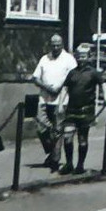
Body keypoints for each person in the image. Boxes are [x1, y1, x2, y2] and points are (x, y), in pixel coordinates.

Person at [57, 42, 106, 175]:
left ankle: (80, 165)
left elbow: (103, 83)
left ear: (89, 57)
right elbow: (65, 88)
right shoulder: (72, 73)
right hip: (71, 110)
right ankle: (69, 164)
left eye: (84, 56)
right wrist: (60, 105)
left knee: (82, 139)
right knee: (67, 136)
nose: (81, 58)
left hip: (86, 110)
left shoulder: (93, 73)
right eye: (79, 56)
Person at [30, 33, 77, 172]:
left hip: (61, 100)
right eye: (53, 45)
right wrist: (47, 88)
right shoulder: (45, 58)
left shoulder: (69, 59)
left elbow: (73, 78)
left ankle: (55, 161)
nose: (55, 47)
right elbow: (35, 77)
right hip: (44, 99)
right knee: (41, 129)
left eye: (58, 45)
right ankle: (52, 153)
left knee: (57, 131)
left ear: (62, 44)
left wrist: (59, 88)